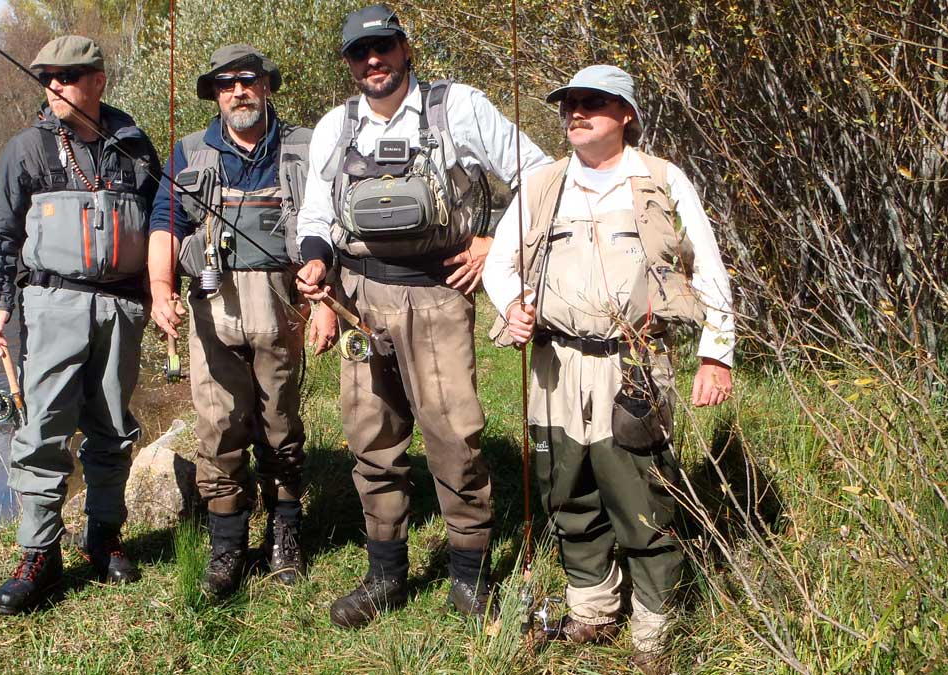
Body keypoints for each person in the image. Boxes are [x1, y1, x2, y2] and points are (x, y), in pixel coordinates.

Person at [294, 4, 552, 628]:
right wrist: (315, 262)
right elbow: (314, 215)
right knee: (371, 442)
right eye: (359, 52)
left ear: (405, 49)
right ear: (349, 64)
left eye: (383, 46)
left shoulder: (457, 106)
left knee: (455, 441)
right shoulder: (335, 125)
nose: (372, 60)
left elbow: (541, 173)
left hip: (437, 297)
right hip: (359, 301)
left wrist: (497, 242)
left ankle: (469, 575)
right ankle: (385, 573)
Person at [481, 65, 735, 674]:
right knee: (564, 488)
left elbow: (711, 270)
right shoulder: (543, 185)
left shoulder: (664, 181)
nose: (576, 112)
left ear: (626, 114)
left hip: (636, 365)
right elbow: (499, 265)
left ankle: (654, 624)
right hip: (554, 363)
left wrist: (714, 354)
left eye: (593, 103)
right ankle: (591, 608)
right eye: (569, 103)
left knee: (643, 495)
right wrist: (512, 308)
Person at [0, 36, 161, 615]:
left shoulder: (134, 145)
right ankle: (39, 553)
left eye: (66, 75)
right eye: (47, 77)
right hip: (51, 306)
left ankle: (103, 537)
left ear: (98, 81)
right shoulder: (26, 150)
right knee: (43, 432)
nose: (54, 85)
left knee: (112, 429)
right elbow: (0, 235)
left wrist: (164, 292)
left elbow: (163, 223)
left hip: (122, 309)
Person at [148, 45, 311, 599]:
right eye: (225, 84)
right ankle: (227, 546)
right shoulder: (189, 152)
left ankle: (284, 534)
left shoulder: (302, 147)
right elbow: (165, 223)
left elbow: (329, 225)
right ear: (215, 95)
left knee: (281, 423)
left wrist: (326, 301)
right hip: (211, 309)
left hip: (283, 305)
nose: (237, 91)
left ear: (266, 86)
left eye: (248, 80)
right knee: (217, 427)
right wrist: (162, 289)